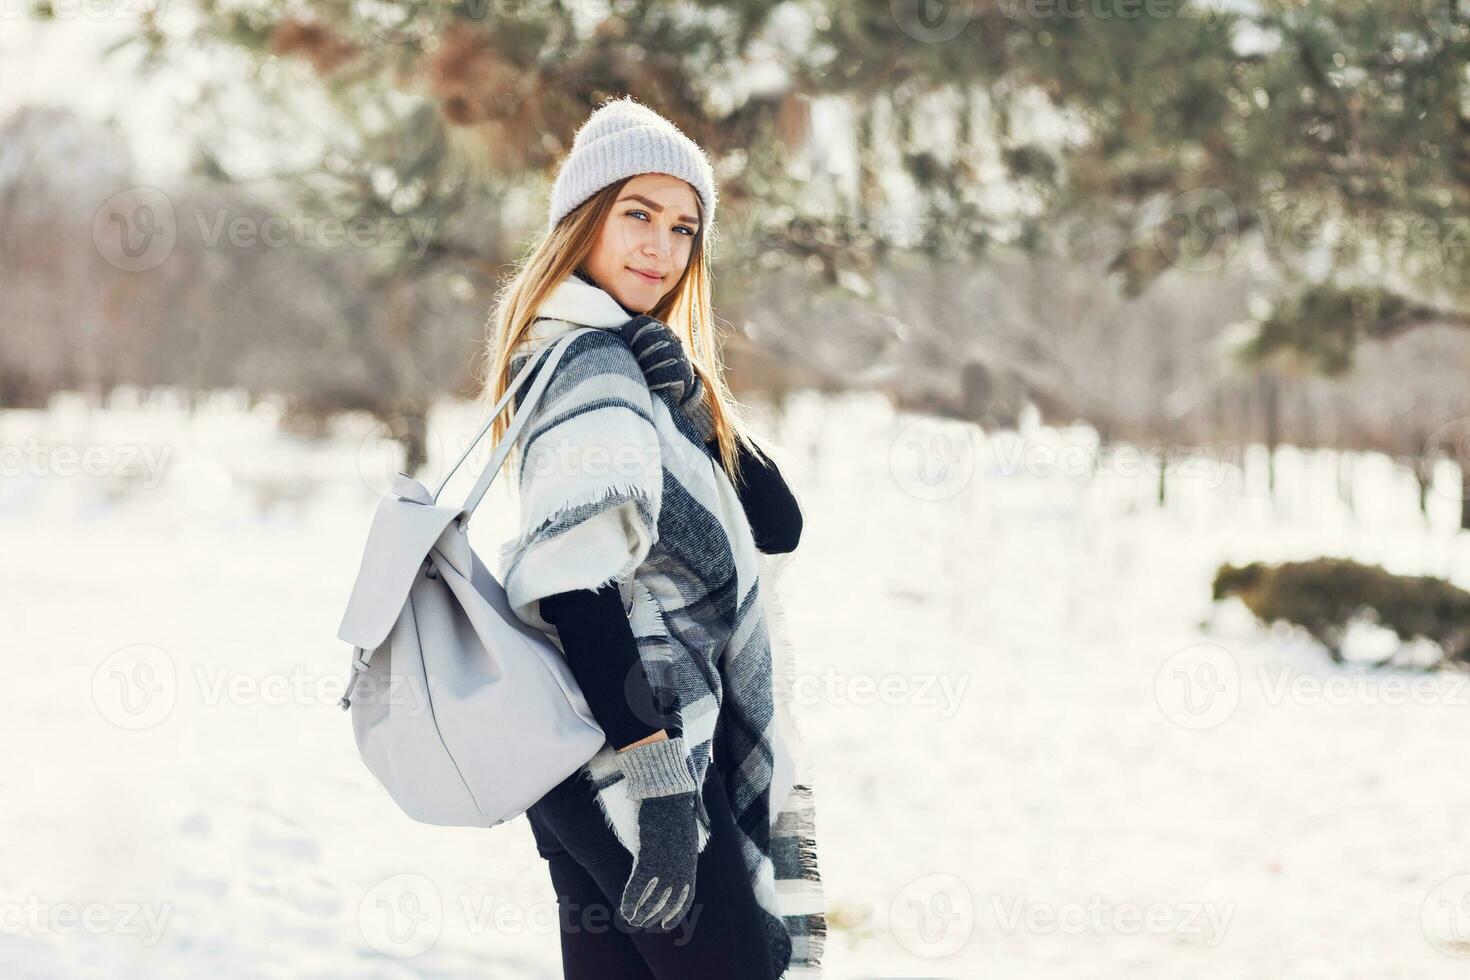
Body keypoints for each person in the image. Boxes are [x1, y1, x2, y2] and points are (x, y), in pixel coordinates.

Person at [478, 96, 826, 979]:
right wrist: (662, 790)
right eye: (637, 215)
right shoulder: (590, 363)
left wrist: (702, 416)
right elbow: (573, 585)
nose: (659, 249)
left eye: (682, 229)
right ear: (583, 220)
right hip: (639, 756)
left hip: (592, 754)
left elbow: (779, 523)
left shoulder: (627, 359)